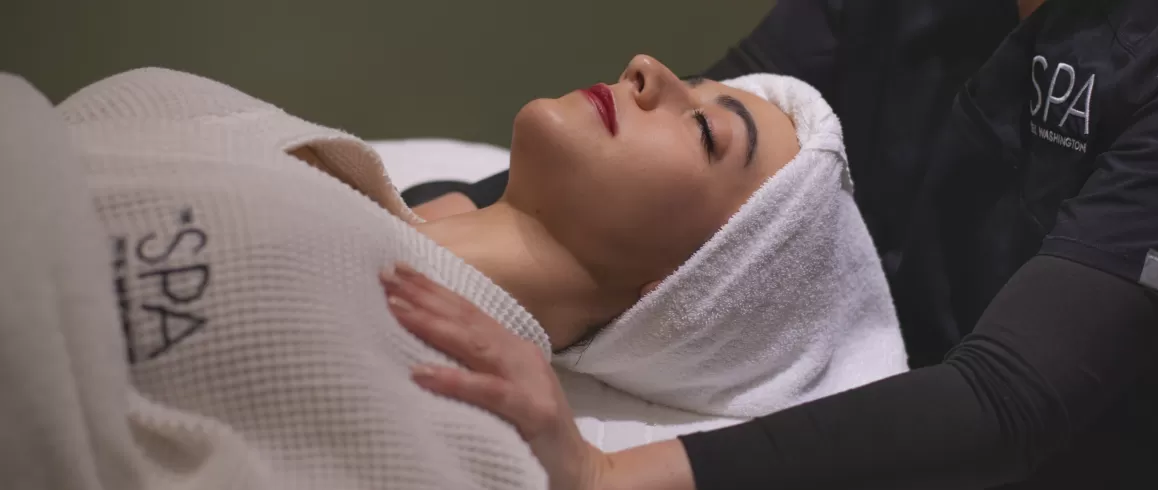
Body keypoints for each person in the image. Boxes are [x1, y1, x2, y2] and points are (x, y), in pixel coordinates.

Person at [387, 0, 1158, 488]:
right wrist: (430, 220)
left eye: (708, 131)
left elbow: (1008, 400)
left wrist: (602, 476)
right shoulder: (376, 208)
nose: (646, 69)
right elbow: (674, 137)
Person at [2, 52, 905, 489]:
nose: (650, 70)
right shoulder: (304, 153)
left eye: (705, 131)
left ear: (684, 292)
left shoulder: (462, 429)